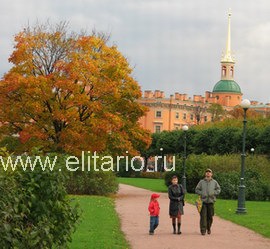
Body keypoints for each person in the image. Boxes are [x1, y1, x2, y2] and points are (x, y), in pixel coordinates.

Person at [195, 168, 221, 235]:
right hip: (203, 202)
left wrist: (213, 192)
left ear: (211, 174)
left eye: (209, 172)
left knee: (210, 217)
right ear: (205, 174)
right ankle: (203, 230)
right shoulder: (201, 182)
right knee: (203, 217)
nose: (208, 173)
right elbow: (197, 190)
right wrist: (202, 193)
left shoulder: (214, 182)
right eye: (207, 172)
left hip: (211, 201)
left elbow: (219, 189)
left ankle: (208, 228)